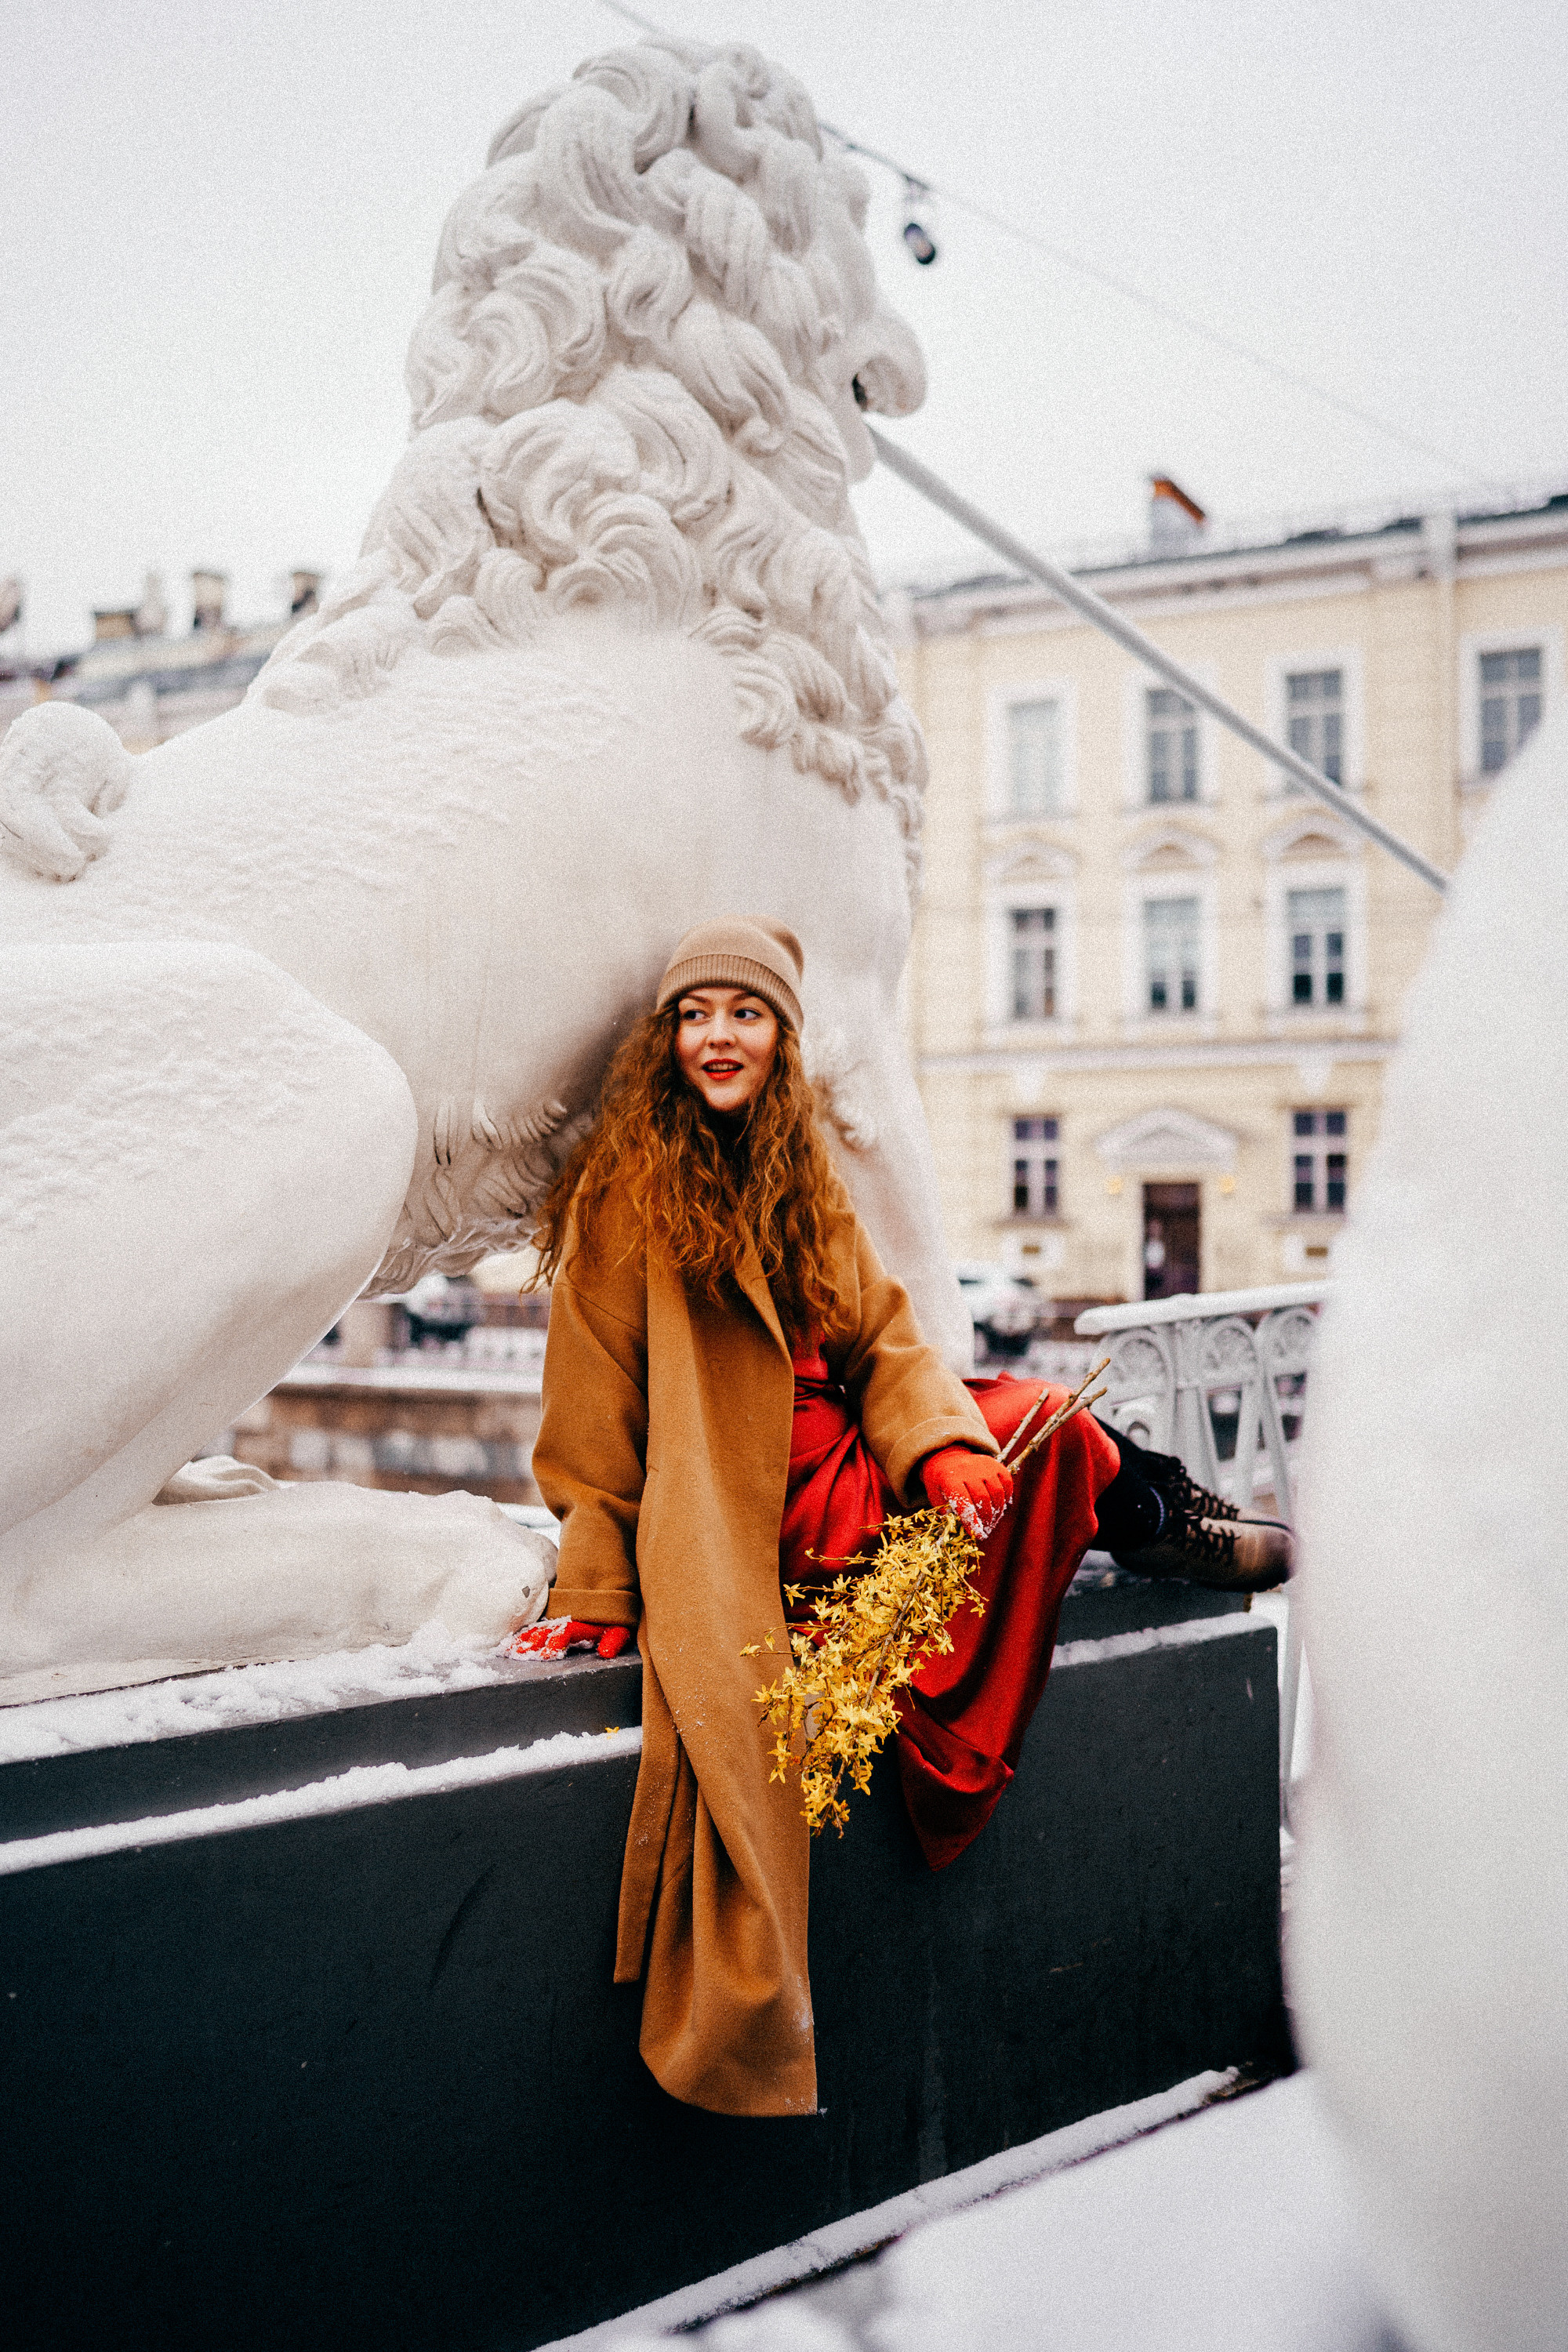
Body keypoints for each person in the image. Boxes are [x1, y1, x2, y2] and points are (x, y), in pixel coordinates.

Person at [518, 918, 1290, 2118]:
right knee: (1045, 1425)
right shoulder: (621, 1204)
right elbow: (591, 1426)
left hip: (854, 1455)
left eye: (747, 1014)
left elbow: (883, 1339)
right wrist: (598, 1589)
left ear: (780, 1040)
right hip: (770, 1505)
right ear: (666, 1041)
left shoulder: (798, 1176)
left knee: (1007, 1428)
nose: (720, 1035)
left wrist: (930, 1446)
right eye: (696, 1015)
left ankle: (1158, 1511)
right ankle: (1162, 1520)